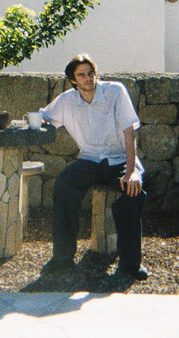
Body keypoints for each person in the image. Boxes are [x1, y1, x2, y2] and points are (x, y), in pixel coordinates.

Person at [40, 53, 148, 280]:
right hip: (89, 160)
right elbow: (44, 116)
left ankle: (130, 265)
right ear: (73, 80)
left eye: (91, 73)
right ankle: (62, 259)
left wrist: (131, 171)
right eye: (81, 75)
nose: (88, 78)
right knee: (63, 186)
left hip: (120, 159)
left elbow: (130, 132)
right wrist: (38, 121)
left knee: (133, 193)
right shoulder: (67, 100)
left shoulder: (115, 91)